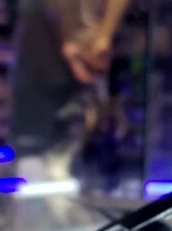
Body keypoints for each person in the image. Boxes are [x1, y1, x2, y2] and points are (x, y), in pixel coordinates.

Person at [10, 0, 132, 180]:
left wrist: (103, 37)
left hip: (82, 48)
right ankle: (38, 159)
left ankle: (55, 159)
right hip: (54, 47)